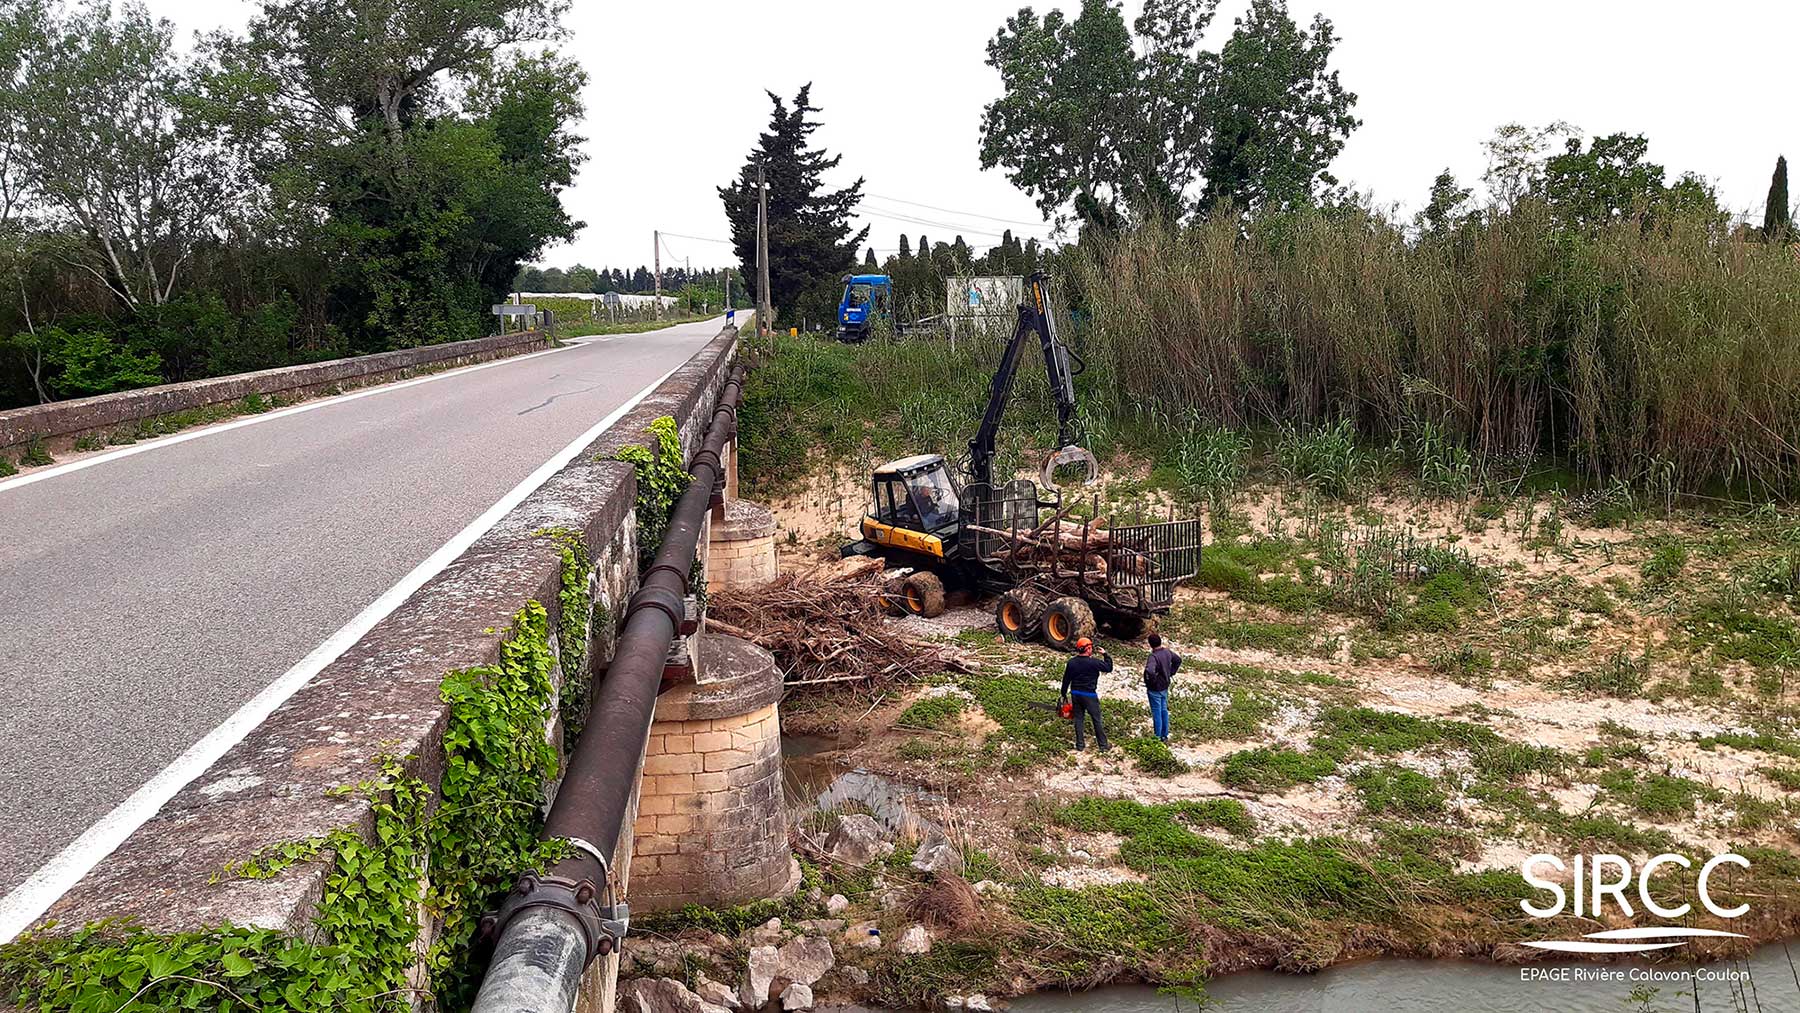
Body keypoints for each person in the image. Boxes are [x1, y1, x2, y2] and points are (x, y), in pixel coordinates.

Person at [1059, 637, 1112, 751]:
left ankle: (1080, 745)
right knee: (1096, 719)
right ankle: (1103, 745)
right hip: (1089, 695)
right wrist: (1105, 654)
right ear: (1088, 649)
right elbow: (1108, 668)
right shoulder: (1094, 662)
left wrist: (1063, 693)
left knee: (1078, 719)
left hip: (1076, 693)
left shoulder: (1071, 662)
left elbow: (1066, 680)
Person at [1142, 633, 1182, 742]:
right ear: (1160, 641)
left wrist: (1152, 681)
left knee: (1156, 712)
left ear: (1150, 644)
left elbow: (1150, 670)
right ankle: (1164, 735)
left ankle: (1157, 737)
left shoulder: (1153, 657)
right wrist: (1171, 672)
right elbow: (1178, 660)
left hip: (1155, 688)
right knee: (1164, 710)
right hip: (1165, 685)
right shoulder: (1167, 652)